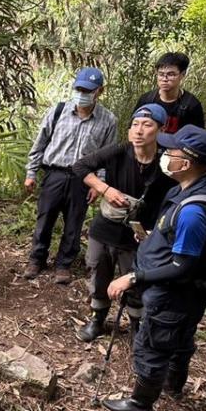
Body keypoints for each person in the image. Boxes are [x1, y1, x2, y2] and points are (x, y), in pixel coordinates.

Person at [103, 125, 206, 411]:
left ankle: (141, 402)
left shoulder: (195, 211)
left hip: (173, 295)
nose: (165, 154)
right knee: (180, 341)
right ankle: (173, 386)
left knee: (153, 345)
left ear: (188, 162)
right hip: (187, 296)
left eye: (172, 151)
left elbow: (182, 266)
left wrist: (134, 276)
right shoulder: (194, 188)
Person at [73, 104, 176, 341]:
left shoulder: (167, 163)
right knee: (99, 272)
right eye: (135, 125)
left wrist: (158, 230)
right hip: (106, 227)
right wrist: (105, 189)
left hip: (140, 234)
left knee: (135, 278)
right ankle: (98, 320)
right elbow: (80, 167)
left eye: (147, 125)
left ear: (160, 130)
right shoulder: (119, 151)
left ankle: (136, 326)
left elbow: (174, 199)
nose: (139, 131)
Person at [23, 68, 118, 284]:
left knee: (74, 223)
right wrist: (31, 173)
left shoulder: (108, 120)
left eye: (87, 90)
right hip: (55, 173)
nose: (82, 93)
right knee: (45, 219)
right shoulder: (58, 111)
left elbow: (107, 156)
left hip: (83, 179)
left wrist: (99, 184)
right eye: (79, 89)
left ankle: (64, 264)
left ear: (99, 91)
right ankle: (36, 259)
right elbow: (40, 144)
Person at [133, 52, 205, 133]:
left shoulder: (191, 105)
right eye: (161, 74)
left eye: (171, 74)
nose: (164, 79)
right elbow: (133, 130)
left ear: (182, 74)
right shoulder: (146, 100)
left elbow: (197, 138)